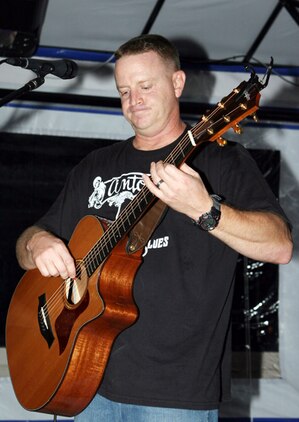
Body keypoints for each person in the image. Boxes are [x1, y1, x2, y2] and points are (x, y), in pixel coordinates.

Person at [16, 34, 293, 421]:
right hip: (82, 380)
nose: (134, 101)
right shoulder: (95, 165)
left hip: (174, 394)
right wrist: (39, 244)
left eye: (145, 86)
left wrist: (204, 208)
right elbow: (27, 242)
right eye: (124, 90)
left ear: (177, 83)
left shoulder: (221, 163)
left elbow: (279, 245)